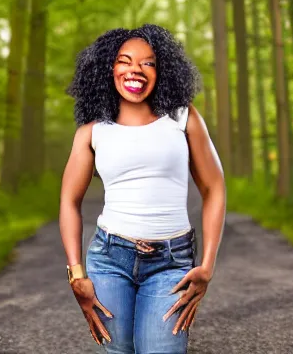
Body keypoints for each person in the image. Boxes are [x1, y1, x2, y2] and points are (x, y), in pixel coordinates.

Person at [60, 24, 226, 353]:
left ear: (161, 70)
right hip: (109, 259)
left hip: (172, 262)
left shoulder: (183, 117)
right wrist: (76, 274)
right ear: (109, 68)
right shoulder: (92, 132)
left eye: (148, 62)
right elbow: (69, 201)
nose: (135, 69)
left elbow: (215, 188)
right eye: (124, 60)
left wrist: (206, 266)